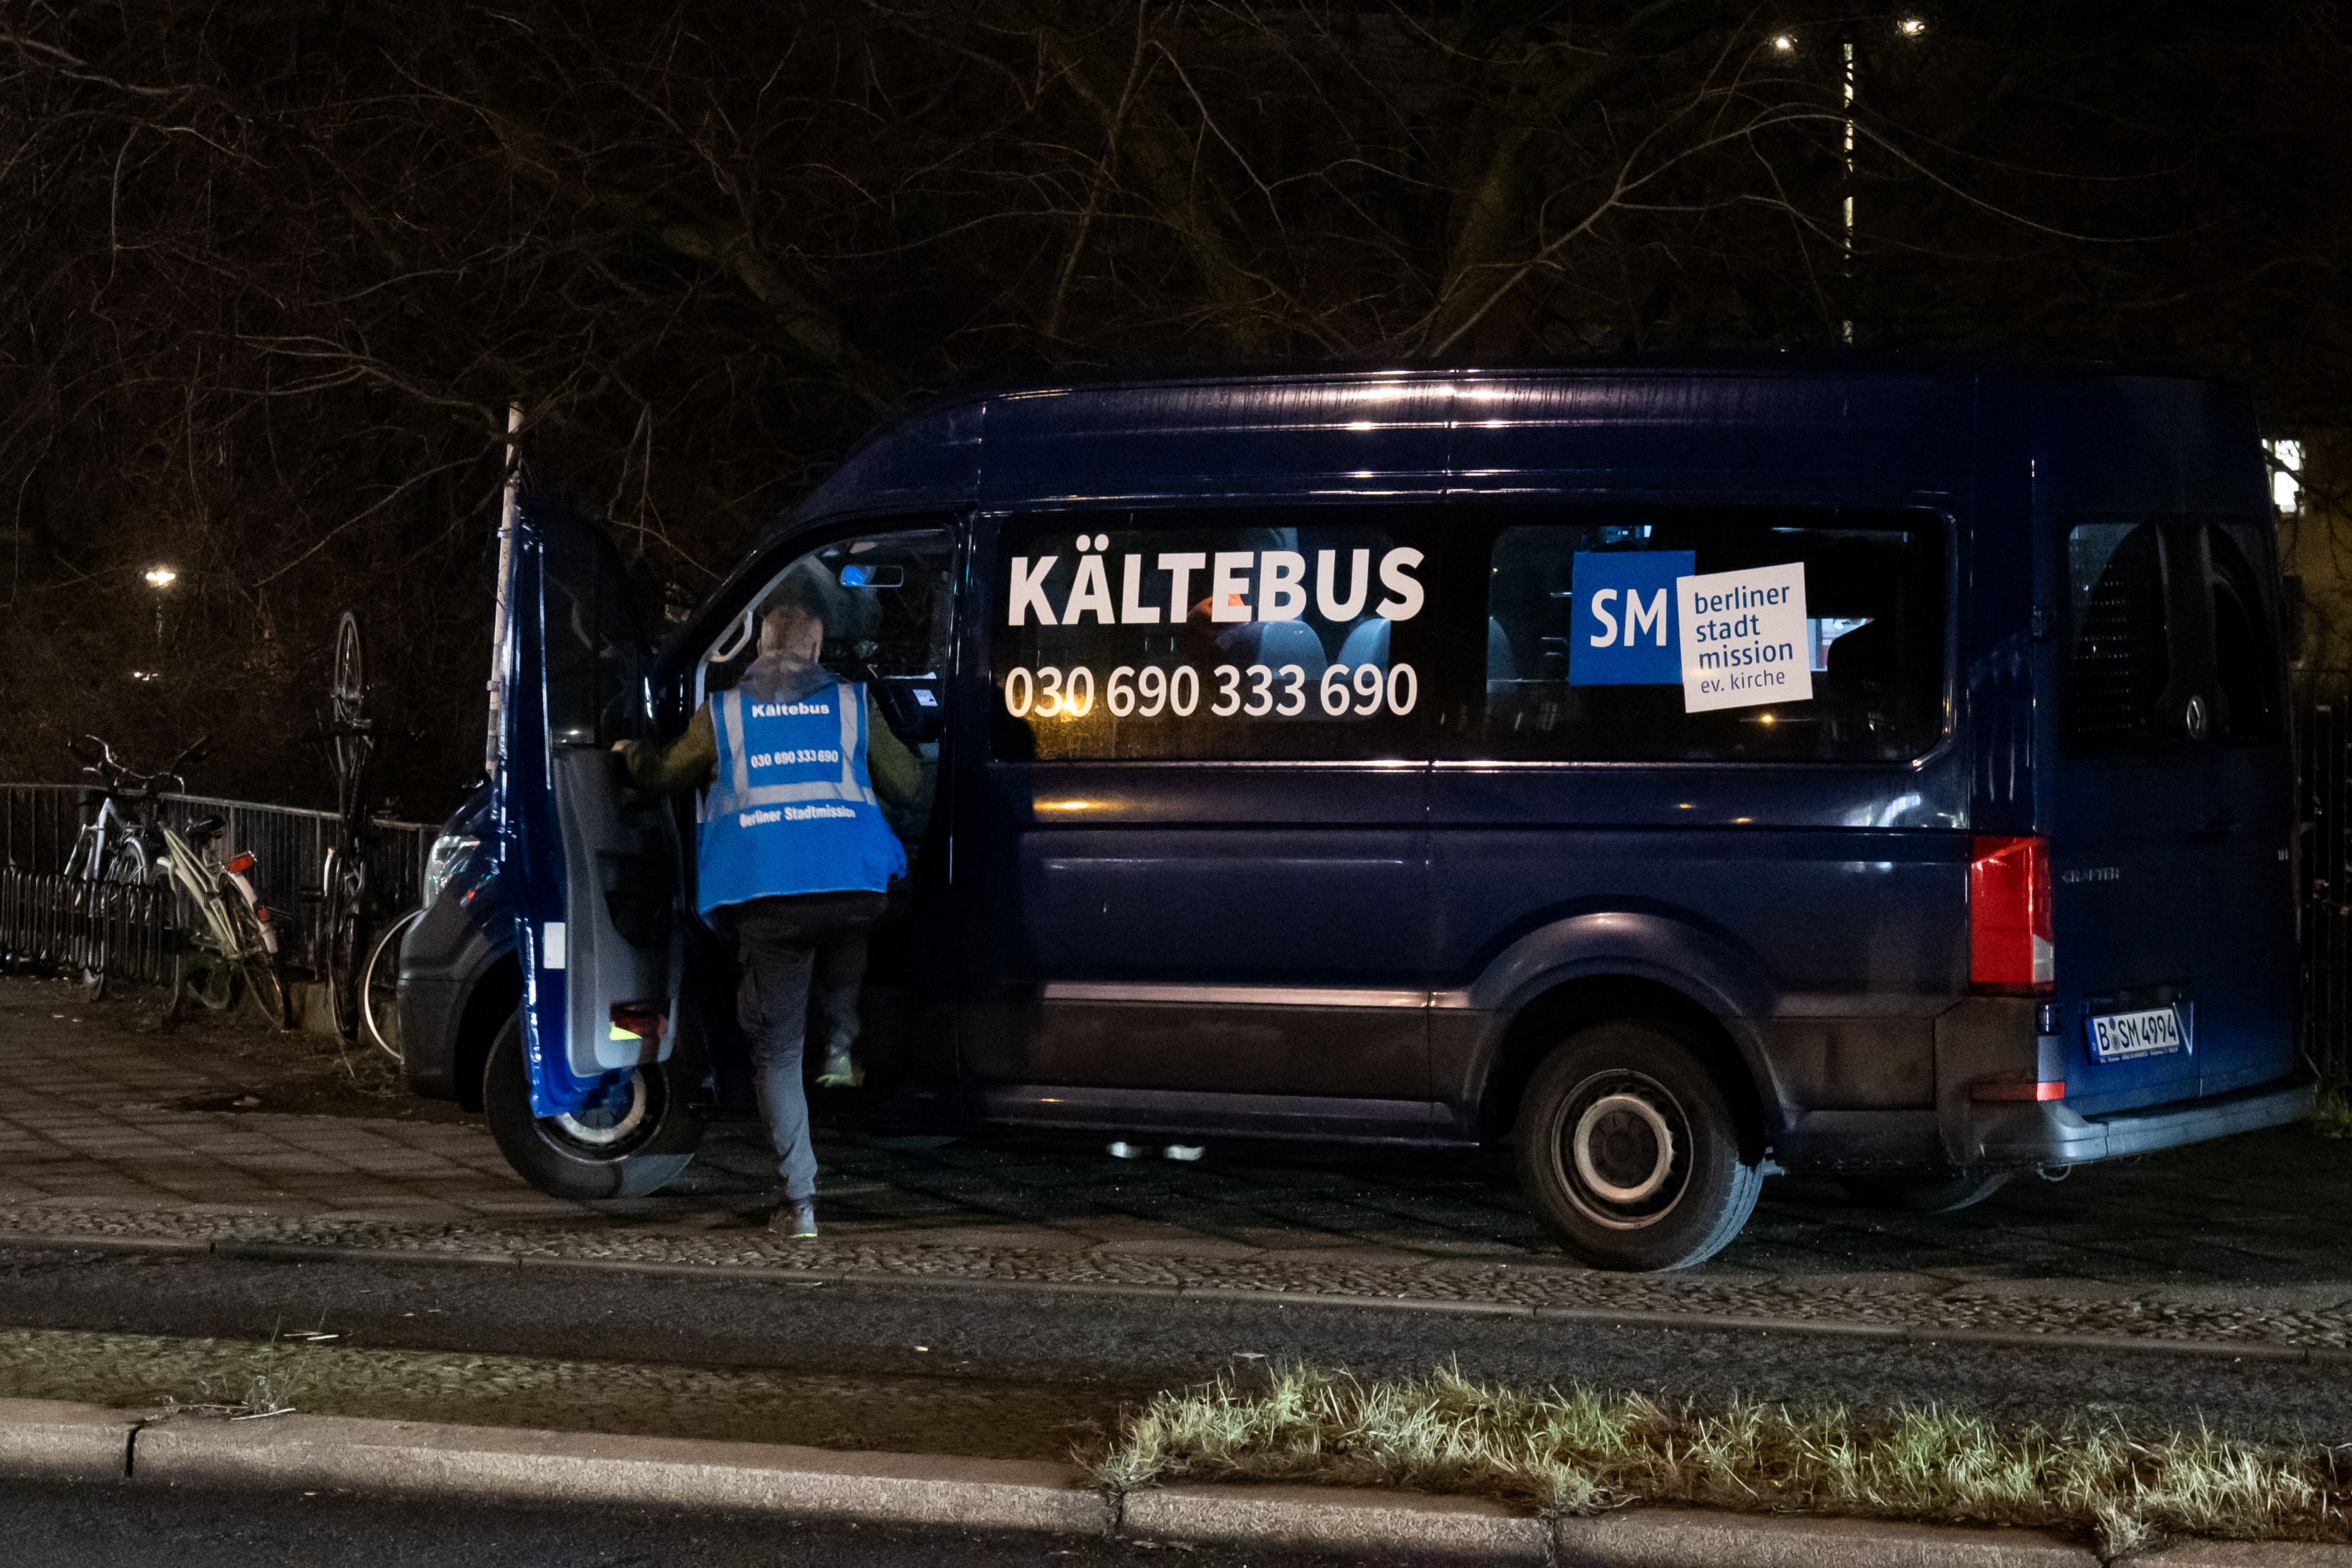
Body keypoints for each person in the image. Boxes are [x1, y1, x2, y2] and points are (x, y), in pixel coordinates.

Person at [620, 578, 920, 1238]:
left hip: (769, 902)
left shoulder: (723, 714)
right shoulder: (851, 704)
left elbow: (664, 775)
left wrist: (630, 753)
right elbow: (907, 783)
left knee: (777, 1054)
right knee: (854, 920)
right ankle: (841, 1038)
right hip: (852, 890)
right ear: (815, 643)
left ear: (761, 643)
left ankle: (803, 1204)